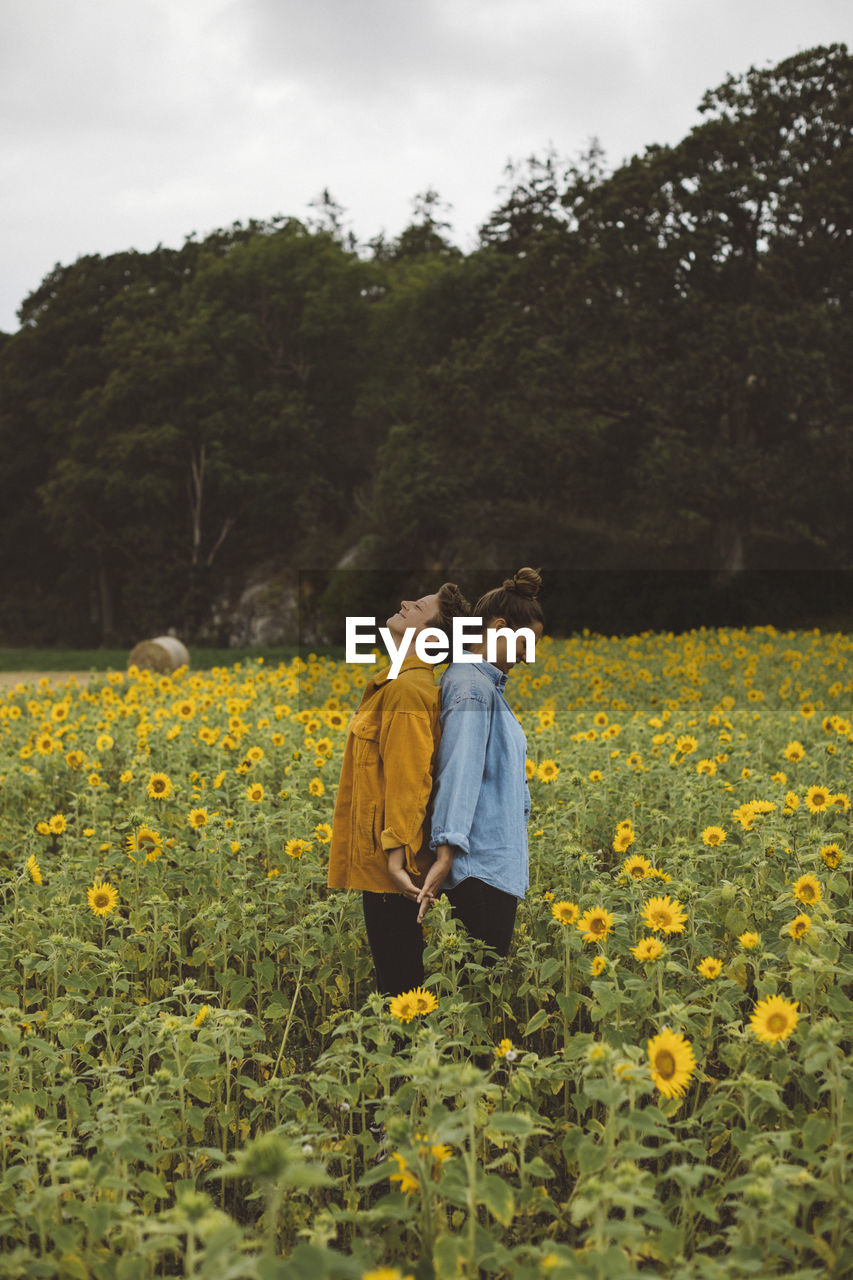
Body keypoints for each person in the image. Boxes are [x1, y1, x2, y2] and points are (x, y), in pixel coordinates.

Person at [327, 583, 470, 996]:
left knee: (401, 989)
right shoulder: (400, 684)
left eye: (419, 606)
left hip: (394, 869)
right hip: (394, 860)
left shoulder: (407, 690)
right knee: (400, 983)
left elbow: (410, 782)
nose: (404, 602)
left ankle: (408, 1060)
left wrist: (395, 858)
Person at [417, 568, 544, 958]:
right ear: (501, 626)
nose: (527, 657)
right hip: (479, 867)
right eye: (526, 644)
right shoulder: (472, 687)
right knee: (482, 986)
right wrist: (446, 851)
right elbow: (459, 772)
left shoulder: (482, 686)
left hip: (489, 865)